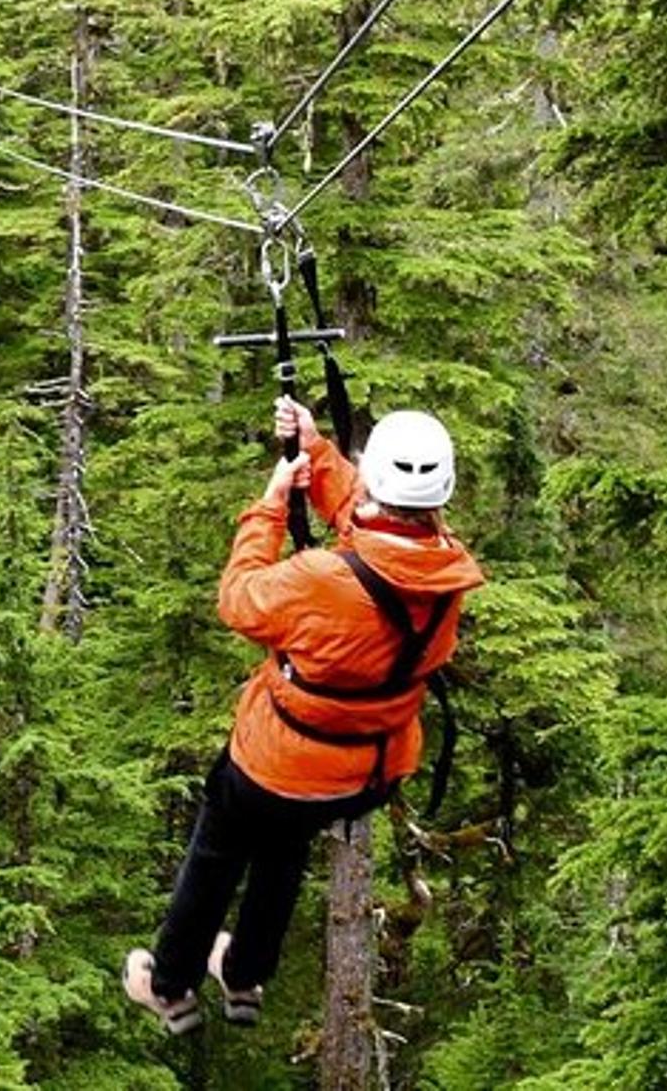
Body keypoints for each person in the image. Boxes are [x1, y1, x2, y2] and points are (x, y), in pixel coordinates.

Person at [122, 397, 484, 1033]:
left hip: (278, 761)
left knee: (218, 848)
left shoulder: (322, 578)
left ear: (375, 478)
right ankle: (244, 975)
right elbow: (372, 528)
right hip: (367, 771)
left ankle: (170, 985)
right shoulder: (443, 569)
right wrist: (314, 450)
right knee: (284, 845)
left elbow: (239, 601)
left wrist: (270, 503)